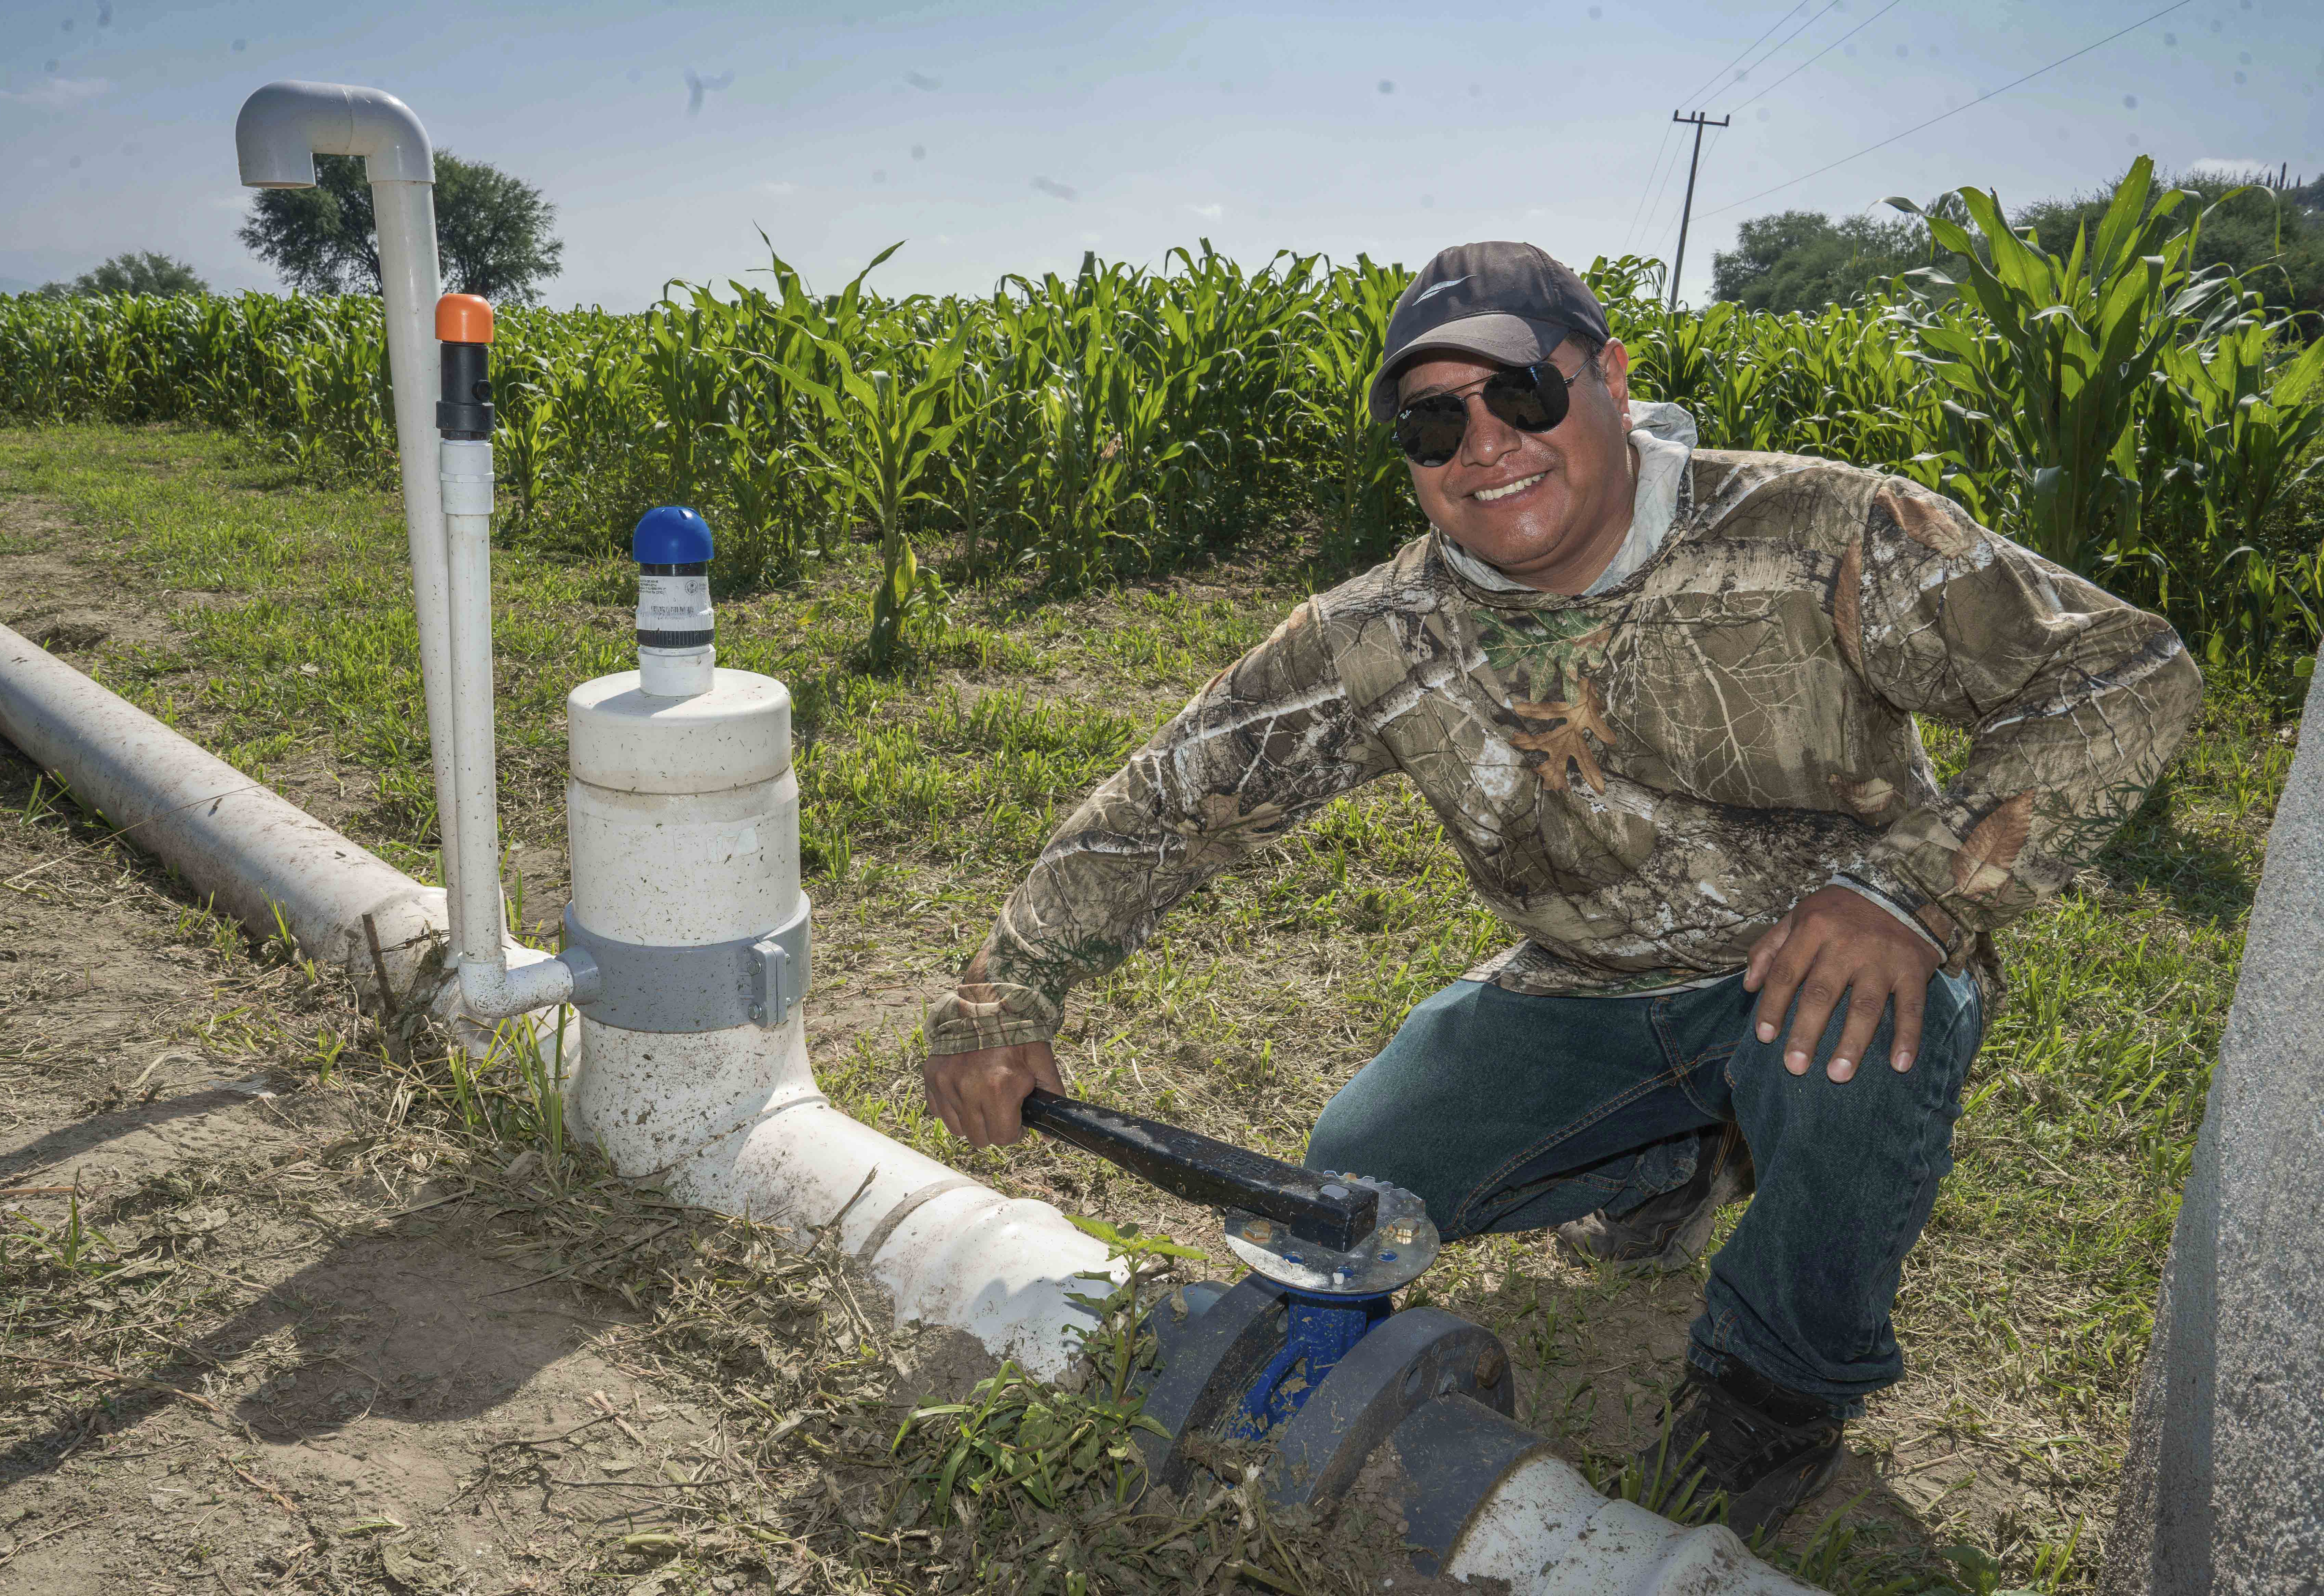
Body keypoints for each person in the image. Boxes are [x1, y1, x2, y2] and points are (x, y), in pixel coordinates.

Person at [918, 241, 2202, 1537]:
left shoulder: (1820, 528)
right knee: (1362, 1179)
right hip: (1583, 985)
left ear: (1610, 379)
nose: (1484, 444)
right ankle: (1670, 1159)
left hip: (1824, 966)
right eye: (1433, 421)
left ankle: (1776, 1380)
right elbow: (1169, 801)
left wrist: (1915, 894)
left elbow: (2124, 676)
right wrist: (1004, 989)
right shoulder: (1379, 634)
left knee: (1840, 1053)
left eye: (1521, 392)